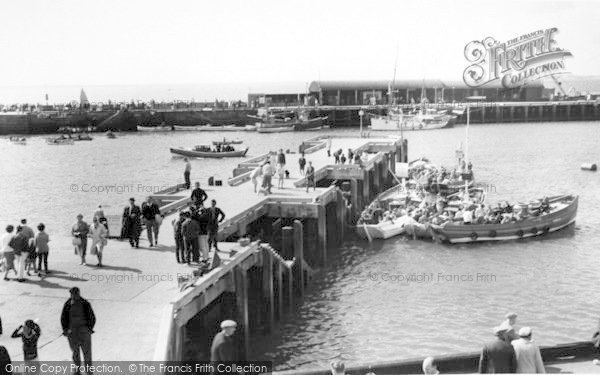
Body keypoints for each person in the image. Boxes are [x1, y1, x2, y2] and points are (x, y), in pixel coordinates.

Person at [61, 287, 95, 375]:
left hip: (84, 332)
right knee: (75, 354)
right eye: (72, 294)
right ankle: (77, 371)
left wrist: (89, 328)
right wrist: (65, 330)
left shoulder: (85, 303)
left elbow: (92, 317)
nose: (74, 296)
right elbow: (63, 318)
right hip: (73, 334)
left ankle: (89, 372)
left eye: (75, 294)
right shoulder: (68, 304)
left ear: (78, 293)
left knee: (87, 354)